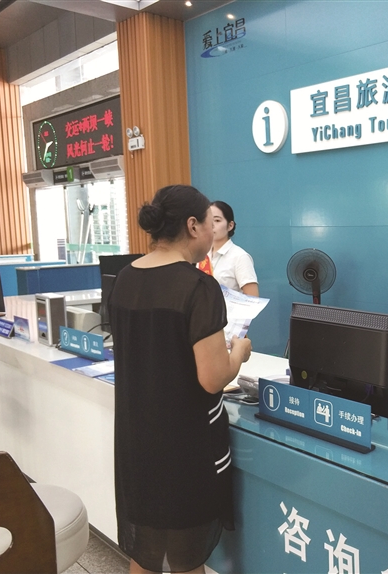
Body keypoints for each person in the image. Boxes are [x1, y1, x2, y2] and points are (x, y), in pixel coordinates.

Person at [109, 184, 252, 574]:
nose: (212, 231)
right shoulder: (197, 286)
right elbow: (213, 378)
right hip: (183, 446)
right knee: (187, 560)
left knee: (145, 552)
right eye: (209, 223)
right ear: (192, 226)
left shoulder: (125, 278)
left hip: (136, 441)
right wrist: (238, 352)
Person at [206, 201, 259, 296]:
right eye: (208, 220)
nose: (211, 225)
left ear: (230, 225)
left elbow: (253, 297)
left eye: (217, 220)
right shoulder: (202, 255)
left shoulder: (240, 257)